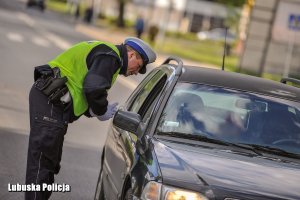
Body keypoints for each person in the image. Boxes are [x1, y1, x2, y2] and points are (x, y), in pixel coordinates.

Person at [25, 37, 156, 200]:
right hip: (51, 101)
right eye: (140, 66)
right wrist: (101, 111)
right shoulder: (111, 57)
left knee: (48, 164)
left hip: (53, 103)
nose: (137, 72)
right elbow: (93, 88)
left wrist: (94, 111)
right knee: (42, 164)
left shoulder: (109, 56)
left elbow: (84, 88)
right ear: (131, 55)